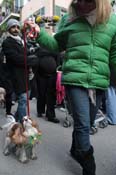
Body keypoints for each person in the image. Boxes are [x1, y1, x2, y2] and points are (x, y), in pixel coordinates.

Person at [27, 0, 116, 174]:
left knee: (88, 122)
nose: (82, 4)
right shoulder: (69, 19)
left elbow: (114, 53)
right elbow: (56, 45)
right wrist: (40, 33)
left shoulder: (112, 21)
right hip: (75, 78)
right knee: (83, 125)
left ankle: (76, 149)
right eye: (79, 0)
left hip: (99, 81)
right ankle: (88, 165)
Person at [2, 18, 39, 122]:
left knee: (24, 99)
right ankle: (22, 124)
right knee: (23, 99)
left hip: (25, 75)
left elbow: (26, 54)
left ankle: (15, 119)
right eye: (13, 27)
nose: (16, 29)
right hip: (15, 76)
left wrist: (32, 54)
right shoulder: (7, 42)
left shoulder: (21, 41)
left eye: (17, 27)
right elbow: (16, 58)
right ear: (9, 29)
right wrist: (30, 60)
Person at [35, 47, 60, 123]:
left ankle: (50, 115)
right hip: (41, 75)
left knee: (51, 96)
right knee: (41, 93)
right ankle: (40, 111)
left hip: (52, 75)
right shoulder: (39, 50)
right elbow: (38, 55)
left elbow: (57, 57)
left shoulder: (54, 49)